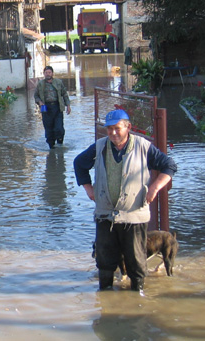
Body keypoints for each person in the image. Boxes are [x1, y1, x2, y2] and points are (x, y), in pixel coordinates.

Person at [73, 109, 177, 292]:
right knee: (104, 262)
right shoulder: (99, 147)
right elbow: (79, 164)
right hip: (105, 216)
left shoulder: (143, 147)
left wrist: (154, 188)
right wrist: (89, 189)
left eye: (117, 128)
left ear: (128, 127)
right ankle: (105, 299)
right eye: (109, 129)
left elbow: (169, 166)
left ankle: (137, 299)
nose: (113, 133)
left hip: (134, 217)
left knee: (136, 263)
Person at [34, 65, 71, 149]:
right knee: (48, 129)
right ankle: (51, 148)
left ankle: (60, 144)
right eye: (46, 73)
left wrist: (68, 105)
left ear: (52, 73)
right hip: (46, 108)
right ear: (44, 74)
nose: (48, 74)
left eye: (49, 72)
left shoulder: (58, 82)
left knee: (59, 128)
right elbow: (36, 96)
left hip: (57, 107)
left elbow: (64, 94)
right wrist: (40, 102)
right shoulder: (40, 84)